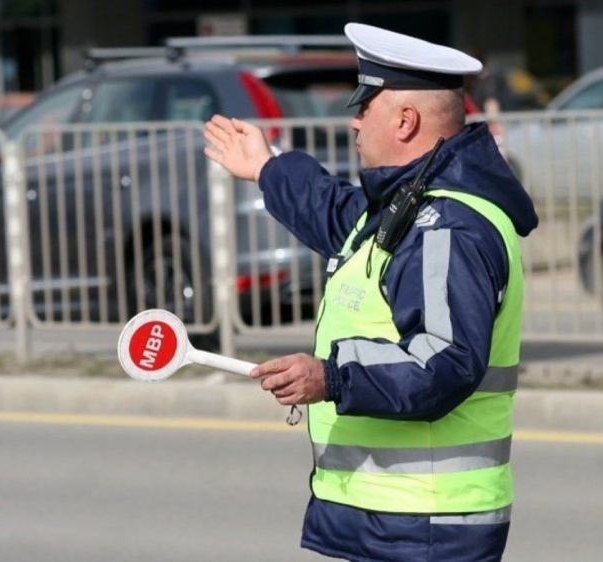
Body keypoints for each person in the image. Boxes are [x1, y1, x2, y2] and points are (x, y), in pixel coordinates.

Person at [204, 22, 538, 562]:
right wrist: (267, 169)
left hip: (424, 523)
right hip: (395, 517)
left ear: (405, 120)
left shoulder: (445, 226)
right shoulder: (410, 206)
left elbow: (445, 361)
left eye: (366, 105)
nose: (354, 120)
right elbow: (339, 217)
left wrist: (330, 376)